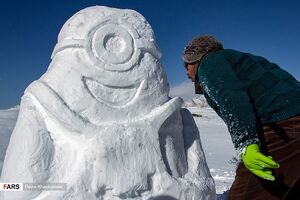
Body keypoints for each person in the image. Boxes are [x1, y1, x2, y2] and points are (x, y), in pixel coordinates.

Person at [182, 35, 300, 199]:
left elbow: (232, 99)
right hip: (290, 119)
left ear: (195, 58)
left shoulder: (209, 64)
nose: (186, 71)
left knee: (244, 194)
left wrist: (247, 143)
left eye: (186, 64)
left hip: (284, 125)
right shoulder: (237, 59)